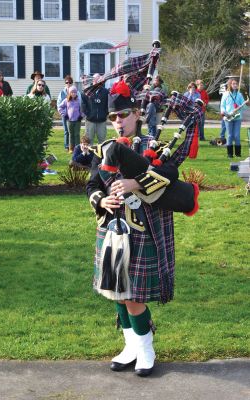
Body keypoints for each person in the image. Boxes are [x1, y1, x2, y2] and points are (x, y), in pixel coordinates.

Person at [86, 81, 197, 377]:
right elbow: (93, 183)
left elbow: (169, 173)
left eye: (122, 115)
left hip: (143, 229)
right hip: (112, 227)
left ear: (136, 113)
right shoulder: (105, 148)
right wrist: (101, 199)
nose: (118, 122)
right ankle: (131, 346)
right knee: (116, 291)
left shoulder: (153, 145)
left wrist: (136, 182)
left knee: (133, 295)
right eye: (113, 118)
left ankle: (146, 348)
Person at [220, 79, 250, 158]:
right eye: (233, 84)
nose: (235, 85)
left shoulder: (239, 94)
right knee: (229, 135)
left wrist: (247, 103)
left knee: (237, 135)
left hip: (237, 117)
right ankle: (230, 154)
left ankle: (238, 154)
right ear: (230, 85)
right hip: (228, 117)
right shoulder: (226, 94)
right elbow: (222, 106)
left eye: (236, 84)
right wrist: (225, 113)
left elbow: (244, 106)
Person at [81, 73, 108, 145]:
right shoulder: (87, 91)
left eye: (99, 79)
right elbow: (83, 104)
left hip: (102, 120)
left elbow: (107, 104)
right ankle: (89, 155)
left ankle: (102, 155)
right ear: (92, 80)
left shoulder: (105, 92)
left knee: (102, 140)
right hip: (90, 120)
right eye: (95, 79)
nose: (97, 81)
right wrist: (88, 114)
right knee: (89, 140)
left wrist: (105, 114)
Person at [57, 75, 81, 151]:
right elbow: (59, 105)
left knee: (76, 133)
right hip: (66, 116)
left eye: (70, 82)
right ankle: (67, 146)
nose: (68, 84)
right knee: (66, 131)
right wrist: (65, 114)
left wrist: (81, 115)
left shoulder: (77, 93)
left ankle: (77, 147)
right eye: (67, 82)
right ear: (65, 83)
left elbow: (81, 105)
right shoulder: (62, 93)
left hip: (76, 118)